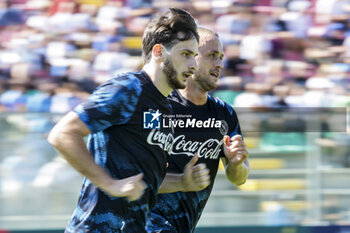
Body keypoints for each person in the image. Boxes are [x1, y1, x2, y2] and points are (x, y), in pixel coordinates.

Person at [47, 8, 199, 233]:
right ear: (159, 52)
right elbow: (62, 134)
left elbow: (140, 181)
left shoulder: (166, 107)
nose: (193, 65)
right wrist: (109, 184)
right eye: (186, 54)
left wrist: (182, 183)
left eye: (195, 56)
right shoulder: (127, 89)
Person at [148, 27, 250, 233]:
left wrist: (236, 162)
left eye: (221, 57)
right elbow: (135, 178)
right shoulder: (158, 107)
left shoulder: (224, 112)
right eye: (212, 56)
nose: (219, 64)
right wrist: (181, 182)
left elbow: (239, 178)